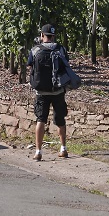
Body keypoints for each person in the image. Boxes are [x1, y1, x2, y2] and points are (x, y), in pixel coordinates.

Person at [27, 24, 69, 161]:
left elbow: (31, 67)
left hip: (41, 91)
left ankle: (38, 151)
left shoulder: (35, 50)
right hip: (58, 90)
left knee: (41, 120)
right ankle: (63, 148)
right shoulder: (61, 49)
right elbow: (66, 65)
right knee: (60, 119)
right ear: (53, 36)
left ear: (42, 35)